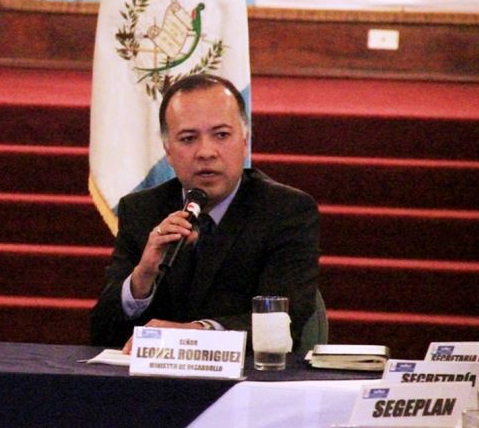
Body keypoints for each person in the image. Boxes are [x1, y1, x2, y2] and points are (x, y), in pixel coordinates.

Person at [89, 74, 319, 353]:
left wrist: (195, 335)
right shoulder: (142, 210)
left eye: (221, 135)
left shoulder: (285, 211)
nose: (206, 152)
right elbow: (100, 334)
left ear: (244, 141)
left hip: (246, 384)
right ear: (168, 152)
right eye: (188, 139)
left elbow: (283, 322)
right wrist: (142, 278)